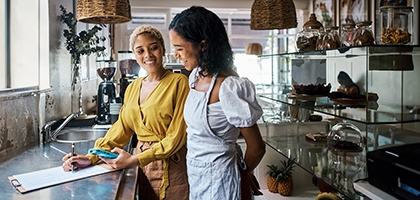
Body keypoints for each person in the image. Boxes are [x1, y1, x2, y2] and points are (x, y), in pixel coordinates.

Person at [62, 25, 190, 200]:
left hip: (171, 169)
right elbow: (121, 129)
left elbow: (175, 138)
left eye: (153, 48)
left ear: (163, 49)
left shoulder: (179, 82)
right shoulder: (133, 87)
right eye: (140, 51)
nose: (148, 55)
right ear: (134, 55)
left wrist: (134, 160)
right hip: (142, 169)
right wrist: (92, 156)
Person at [168, 6, 266, 200]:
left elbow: (257, 148)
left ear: (202, 45)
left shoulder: (228, 87)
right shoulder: (195, 76)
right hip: (197, 176)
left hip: (222, 181)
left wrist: (243, 172)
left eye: (179, 48)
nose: (175, 54)